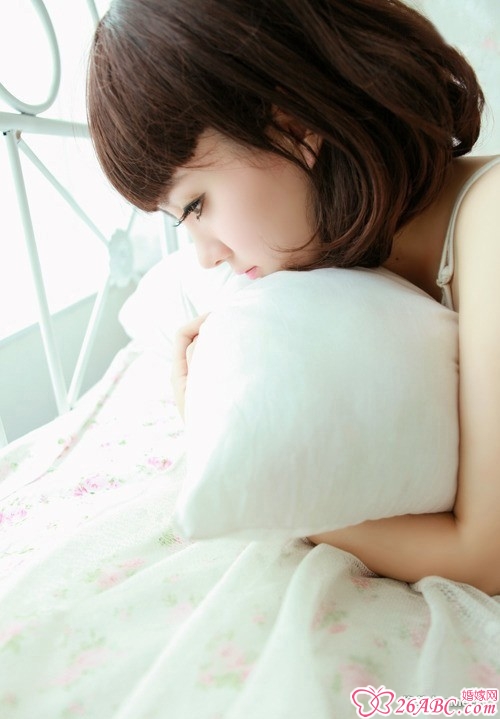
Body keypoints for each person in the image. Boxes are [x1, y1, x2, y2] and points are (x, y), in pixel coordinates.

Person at [86, 0, 500, 594]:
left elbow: (485, 554)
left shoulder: (492, 220)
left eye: (197, 205)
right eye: (181, 221)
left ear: (294, 126)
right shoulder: (328, 283)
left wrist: (260, 492)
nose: (206, 255)